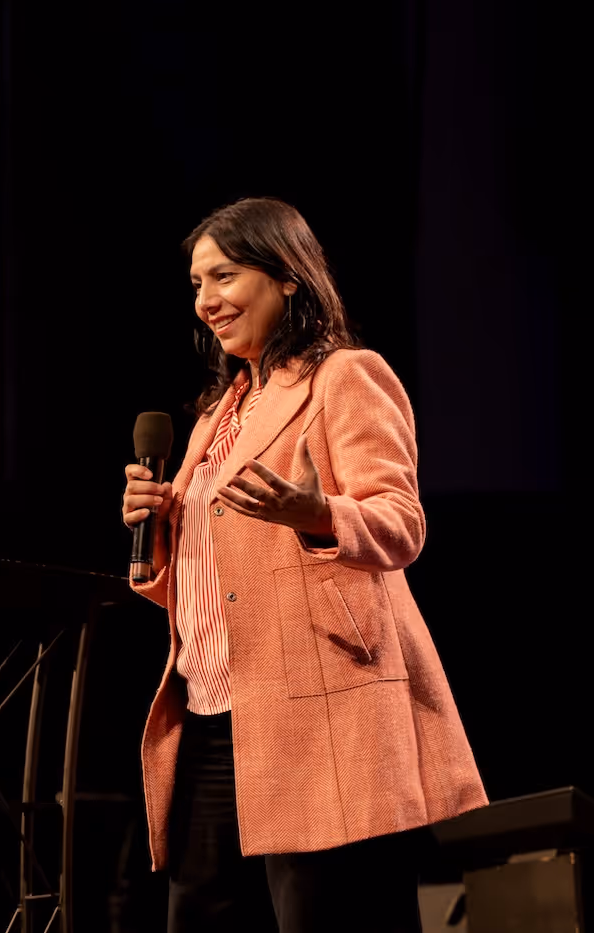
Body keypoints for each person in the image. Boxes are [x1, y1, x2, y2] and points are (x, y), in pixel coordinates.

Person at [120, 197, 487, 933]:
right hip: (212, 716)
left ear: (287, 276)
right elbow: (216, 577)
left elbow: (401, 522)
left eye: (223, 275)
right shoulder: (218, 413)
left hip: (319, 708)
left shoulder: (344, 377)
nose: (207, 301)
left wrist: (315, 513)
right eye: (196, 284)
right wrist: (162, 527)